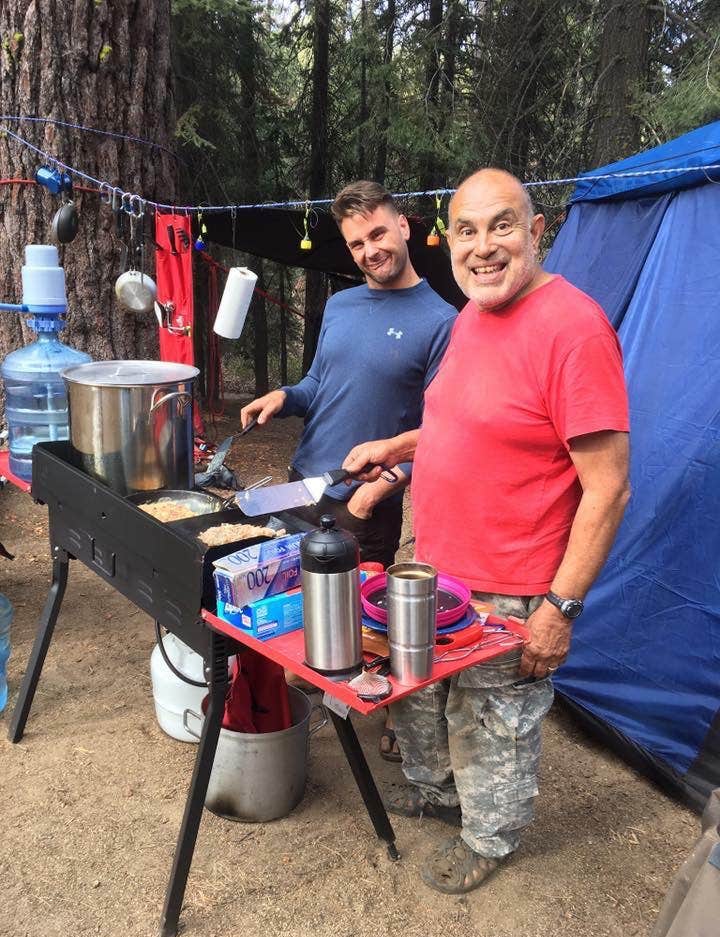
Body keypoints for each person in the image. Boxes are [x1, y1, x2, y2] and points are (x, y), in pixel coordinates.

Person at [342, 168, 631, 893]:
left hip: (513, 586)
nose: (483, 247)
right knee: (423, 696)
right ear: (448, 242)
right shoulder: (472, 316)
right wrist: (398, 449)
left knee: (492, 719)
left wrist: (559, 609)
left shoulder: (573, 328)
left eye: (501, 225)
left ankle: (489, 836)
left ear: (536, 231)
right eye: (467, 231)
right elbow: (466, 424)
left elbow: (609, 487)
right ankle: (438, 793)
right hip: (438, 567)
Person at [240, 180, 457, 759]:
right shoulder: (340, 305)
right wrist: (283, 396)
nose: (370, 250)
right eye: (357, 243)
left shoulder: (442, 321)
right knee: (297, 602)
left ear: (404, 227)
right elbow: (318, 384)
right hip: (303, 482)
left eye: (378, 234)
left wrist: (384, 487)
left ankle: (391, 713)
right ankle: (309, 693)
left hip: (365, 501)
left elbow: (441, 431)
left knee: (367, 623)